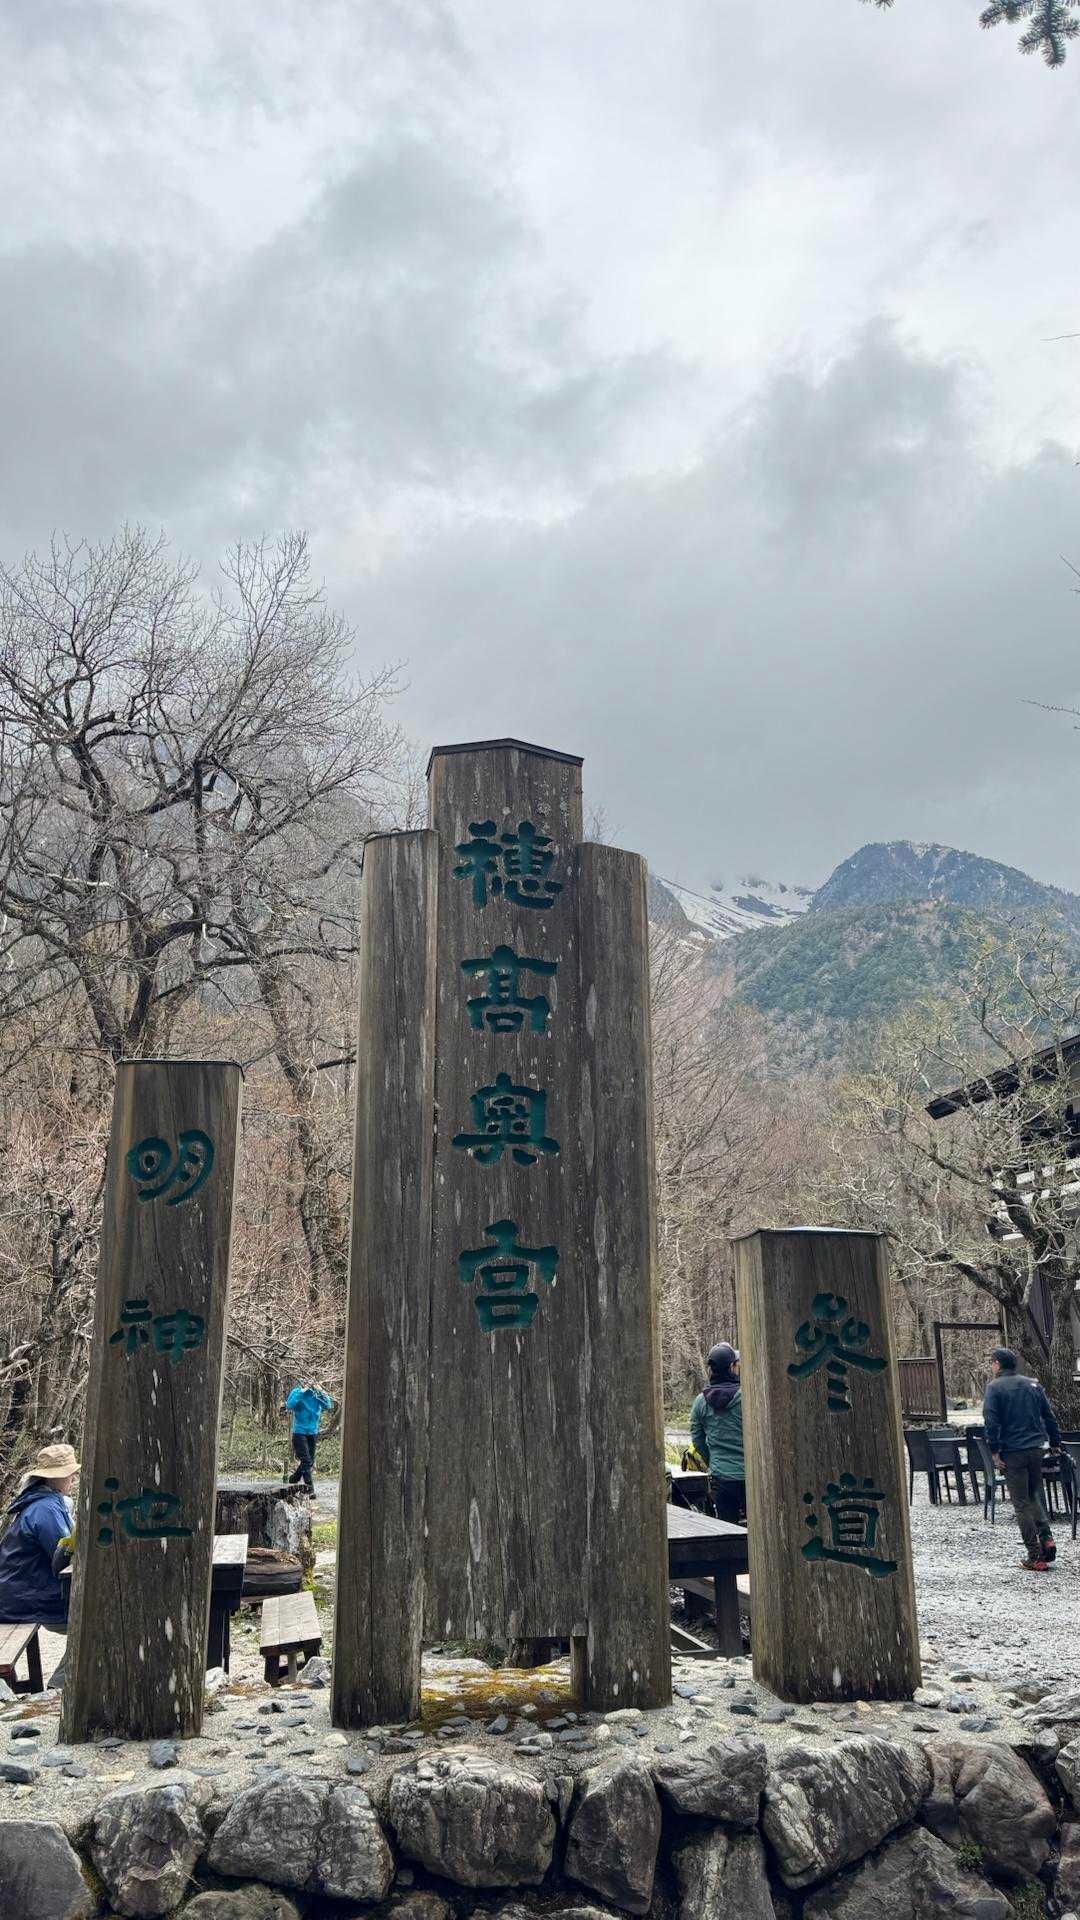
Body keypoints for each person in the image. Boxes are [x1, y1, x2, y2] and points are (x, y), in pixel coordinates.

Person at [0, 1444, 78, 1683]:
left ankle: (60, 1685)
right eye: (70, 1474)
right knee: (96, 1621)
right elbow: (63, 1559)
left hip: (18, 1594)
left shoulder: (41, 1501)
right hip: (25, 1599)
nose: (73, 1479)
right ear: (56, 1478)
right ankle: (59, 1686)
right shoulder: (45, 1508)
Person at [982, 1346, 1061, 1572]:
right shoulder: (1033, 1385)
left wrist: (994, 1450)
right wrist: (1055, 1442)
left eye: (992, 1362)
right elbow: (1048, 1416)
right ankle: (1046, 1539)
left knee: (1021, 1504)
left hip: (1012, 1451)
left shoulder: (994, 1388)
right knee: (1034, 1495)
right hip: (1036, 1449)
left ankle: (1034, 1555)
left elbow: (991, 1421)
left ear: (997, 1364)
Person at [689, 1342, 745, 1526]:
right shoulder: (746, 1397)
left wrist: (712, 1461)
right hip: (750, 1476)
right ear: (732, 1367)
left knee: (728, 1529)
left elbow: (697, 1440)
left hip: (721, 1477)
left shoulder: (700, 1402)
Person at [284, 1382, 333, 1495]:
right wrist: (302, 1391)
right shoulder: (297, 1392)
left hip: (312, 1432)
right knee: (306, 1460)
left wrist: (321, 1391)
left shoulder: (317, 1394)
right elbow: (289, 1405)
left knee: (309, 1462)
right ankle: (310, 1490)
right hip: (299, 1432)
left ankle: (294, 1479)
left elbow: (328, 1405)